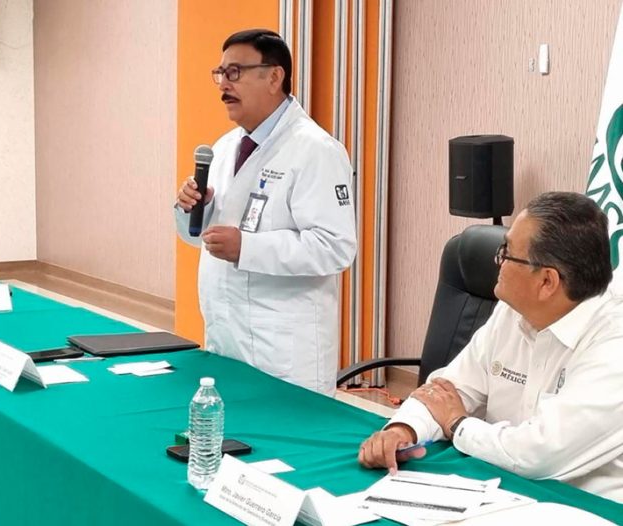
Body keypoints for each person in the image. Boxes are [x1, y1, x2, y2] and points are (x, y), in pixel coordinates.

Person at [359, 191, 623, 503]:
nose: (497, 260)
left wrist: (458, 425)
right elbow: (448, 390)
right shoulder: (513, 311)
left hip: (587, 507)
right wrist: (404, 430)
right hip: (503, 488)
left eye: (507, 253)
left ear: (547, 282)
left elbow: (537, 454)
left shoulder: (613, 343)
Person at [175, 29, 357, 395]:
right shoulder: (225, 147)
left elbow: (335, 247)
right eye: (220, 73)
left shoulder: (316, 150)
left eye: (235, 72)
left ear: (274, 77)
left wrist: (247, 247)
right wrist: (195, 209)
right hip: (227, 336)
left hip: (283, 350)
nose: (223, 84)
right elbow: (201, 238)